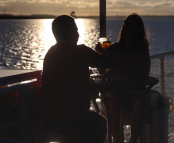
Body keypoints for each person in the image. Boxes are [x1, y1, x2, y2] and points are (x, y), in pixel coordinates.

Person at [42, 15, 107, 143]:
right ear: (71, 32)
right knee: (100, 122)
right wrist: (104, 49)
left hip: (51, 121)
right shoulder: (81, 52)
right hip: (74, 121)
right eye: (76, 30)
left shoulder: (50, 53)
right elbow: (107, 62)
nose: (78, 33)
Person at [96, 13, 150, 143]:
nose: (129, 30)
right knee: (114, 103)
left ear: (139, 30)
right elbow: (101, 70)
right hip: (115, 92)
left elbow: (144, 73)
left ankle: (132, 141)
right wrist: (100, 57)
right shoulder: (114, 48)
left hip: (134, 92)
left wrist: (121, 72)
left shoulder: (142, 51)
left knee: (138, 105)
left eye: (133, 27)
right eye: (126, 26)